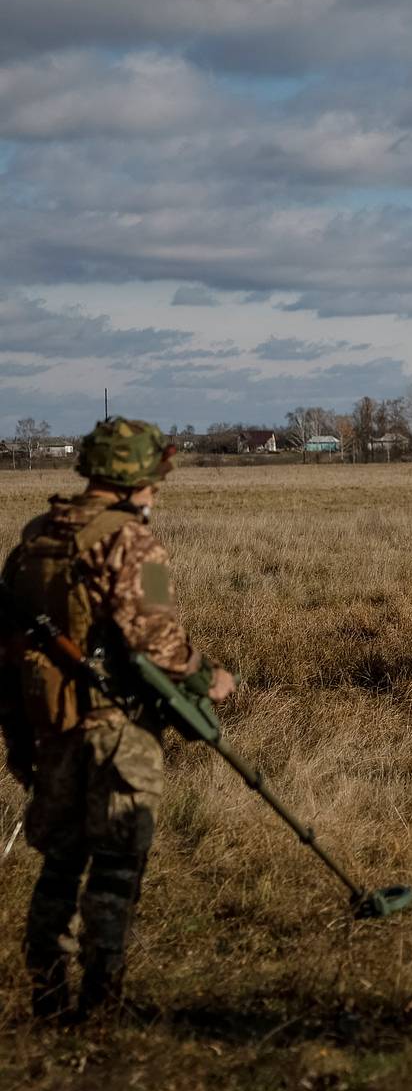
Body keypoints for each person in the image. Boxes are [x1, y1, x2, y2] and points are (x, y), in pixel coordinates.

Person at [0, 416, 236, 1020]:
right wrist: (213, 679)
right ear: (137, 477)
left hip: (49, 725)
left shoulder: (35, 537)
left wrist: (19, 740)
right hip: (115, 730)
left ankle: (47, 1000)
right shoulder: (131, 541)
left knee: (58, 867)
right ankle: (102, 1003)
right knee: (115, 866)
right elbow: (159, 643)